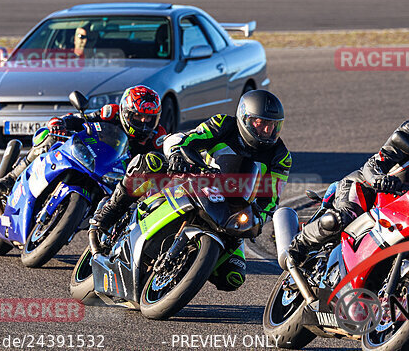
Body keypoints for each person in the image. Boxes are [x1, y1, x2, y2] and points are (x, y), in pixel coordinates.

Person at [286, 87, 409, 265]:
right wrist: (378, 179)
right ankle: (299, 246)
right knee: (343, 217)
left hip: (408, 209)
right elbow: (374, 164)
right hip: (369, 189)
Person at [121, 89, 290, 292]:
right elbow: (188, 140)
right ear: (245, 118)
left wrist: (260, 216)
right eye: (260, 123)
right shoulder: (223, 124)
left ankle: (185, 268)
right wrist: (180, 155)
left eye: (272, 125)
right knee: (151, 164)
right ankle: (106, 215)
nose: (266, 130)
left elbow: (271, 196)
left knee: (233, 277)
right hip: (196, 183)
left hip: (233, 208)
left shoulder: (281, 156)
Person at [0, 85, 166, 195]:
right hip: (90, 155)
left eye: (149, 118)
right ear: (126, 112)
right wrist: (61, 122)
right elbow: (82, 118)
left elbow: (164, 163)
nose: (144, 122)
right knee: (50, 136)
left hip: (115, 178)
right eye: (138, 116)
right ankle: (11, 178)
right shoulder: (111, 113)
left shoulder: (157, 136)